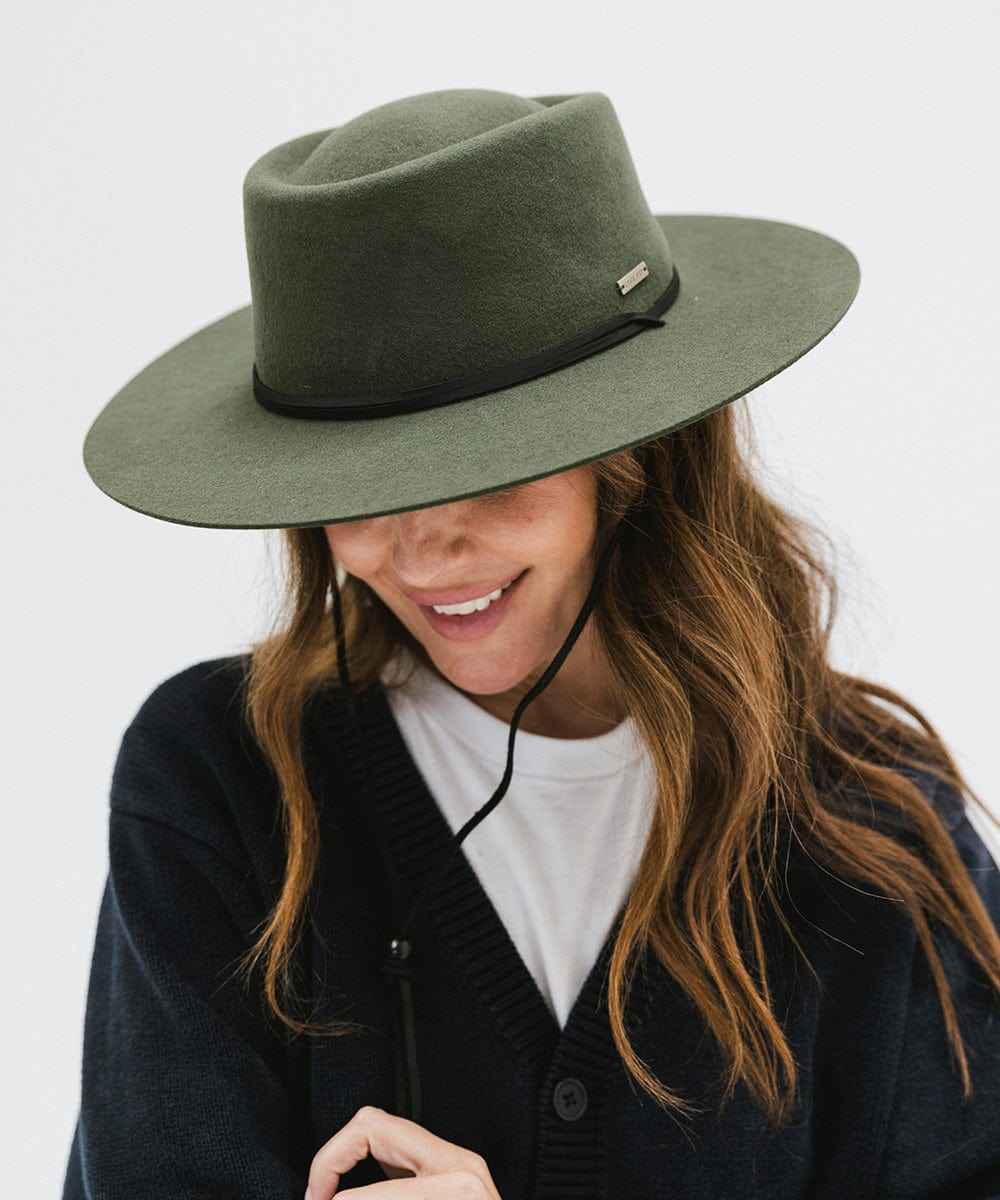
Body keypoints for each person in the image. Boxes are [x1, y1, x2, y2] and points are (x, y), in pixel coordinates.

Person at [65, 88, 1000, 1200]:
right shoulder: (220, 780)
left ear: (642, 449)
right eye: (357, 488)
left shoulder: (866, 829)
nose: (420, 553)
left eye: (488, 466)